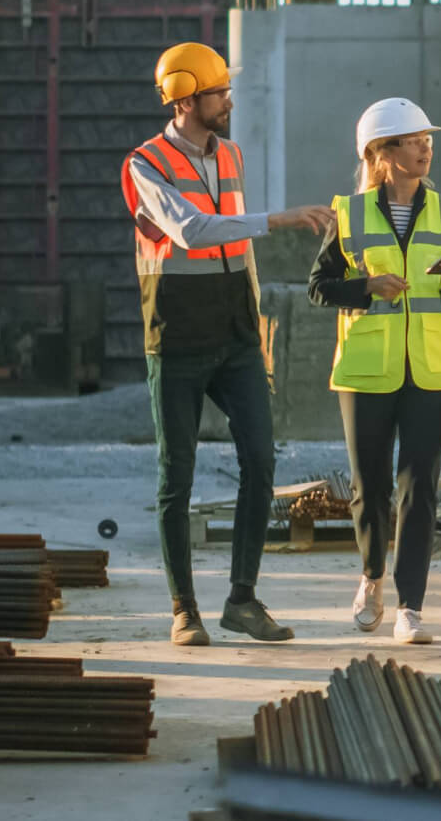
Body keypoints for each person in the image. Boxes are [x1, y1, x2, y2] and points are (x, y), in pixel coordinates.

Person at [120, 41, 336, 646]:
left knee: (262, 461)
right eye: (218, 93)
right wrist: (278, 219)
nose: (229, 101)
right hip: (178, 338)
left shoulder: (232, 155)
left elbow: (237, 256)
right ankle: (183, 608)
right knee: (176, 474)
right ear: (186, 99)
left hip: (238, 337)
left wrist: (258, 325)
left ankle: (241, 599)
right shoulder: (144, 165)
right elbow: (189, 232)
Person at [308, 98, 441, 645]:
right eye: (412, 140)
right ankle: (371, 578)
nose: (424, 147)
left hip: (434, 367)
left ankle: (411, 607)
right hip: (366, 369)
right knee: (370, 487)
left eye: (426, 139)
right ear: (381, 154)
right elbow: (319, 288)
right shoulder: (351, 213)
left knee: (421, 487)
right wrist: (367, 286)